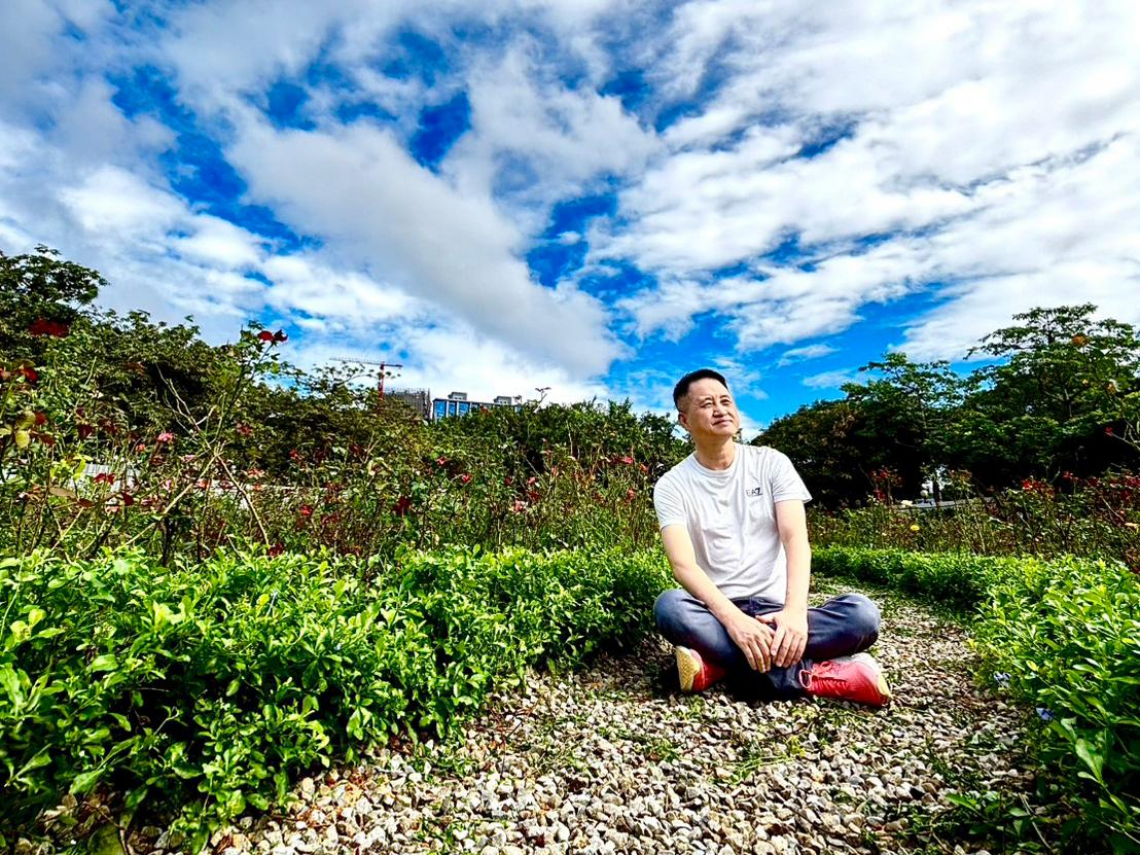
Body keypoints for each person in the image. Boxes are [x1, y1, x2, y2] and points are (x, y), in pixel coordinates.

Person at [652, 368, 891, 706]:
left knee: (862, 615)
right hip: (719, 615)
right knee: (670, 607)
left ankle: (719, 665)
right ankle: (810, 676)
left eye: (726, 401)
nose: (720, 410)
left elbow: (796, 540)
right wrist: (735, 622)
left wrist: (794, 614)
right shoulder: (672, 485)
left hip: (777, 611)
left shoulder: (771, 463)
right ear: (685, 421)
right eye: (707, 404)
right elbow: (682, 565)